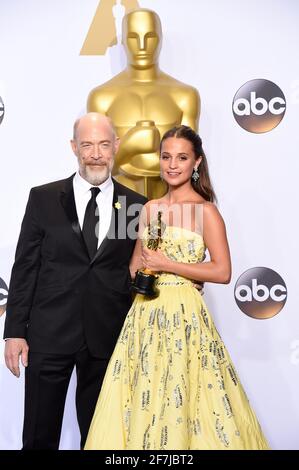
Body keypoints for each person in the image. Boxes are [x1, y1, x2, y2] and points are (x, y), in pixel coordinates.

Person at [84, 125, 270, 450]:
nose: (172, 165)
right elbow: (135, 266)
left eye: (181, 157)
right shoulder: (149, 209)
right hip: (144, 315)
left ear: (196, 162)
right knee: (144, 396)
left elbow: (223, 271)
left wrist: (171, 266)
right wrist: (135, 271)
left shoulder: (206, 211)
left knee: (185, 395)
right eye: (166, 156)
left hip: (186, 318)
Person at [3, 112, 147, 450]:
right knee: (40, 436)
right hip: (49, 333)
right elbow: (25, 268)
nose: (95, 153)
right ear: (74, 147)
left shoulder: (135, 205)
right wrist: (14, 331)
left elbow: (138, 267)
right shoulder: (43, 198)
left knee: (101, 440)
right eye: (87, 145)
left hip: (107, 336)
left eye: (103, 144)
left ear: (116, 146)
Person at [87, 8, 200, 198]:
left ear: (160, 39)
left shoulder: (184, 95)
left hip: (173, 204)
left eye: (150, 37)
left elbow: (190, 161)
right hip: (117, 204)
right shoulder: (102, 97)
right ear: (123, 41)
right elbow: (96, 167)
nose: (141, 46)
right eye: (133, 37)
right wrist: (131, 146)